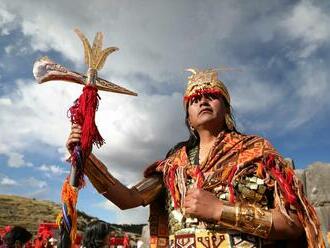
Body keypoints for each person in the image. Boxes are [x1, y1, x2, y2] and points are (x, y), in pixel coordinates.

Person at [67, 68, 325, 247]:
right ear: (188, 118)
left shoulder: (258, 153)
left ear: (226, 109)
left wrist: (220, 210)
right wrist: (86, 158)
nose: (203, 101)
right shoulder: (172, 165)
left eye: (212, 96)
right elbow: (128, 199)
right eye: (195, 99)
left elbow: (293, 224)